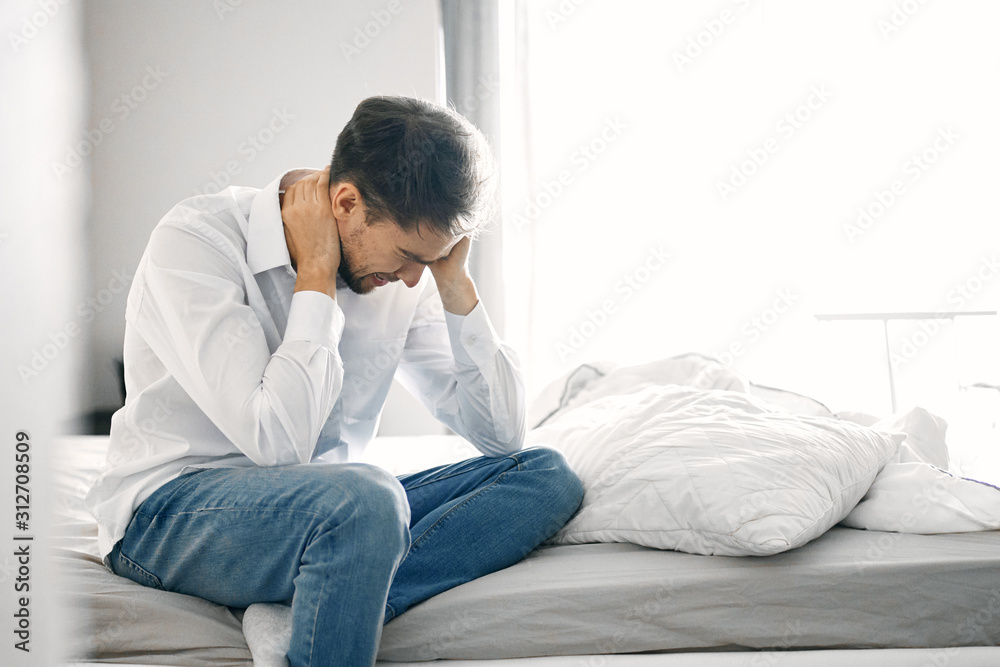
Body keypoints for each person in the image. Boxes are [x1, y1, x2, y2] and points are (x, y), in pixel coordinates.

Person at [83, 96, 584, 666]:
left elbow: (502, 436)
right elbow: (276, 442)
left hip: (334, 516)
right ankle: (335, 587)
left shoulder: (405, 277)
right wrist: (316, 276)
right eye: (408, 255)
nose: (412, 276)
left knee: (544, 475)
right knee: (366, 500)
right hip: (170, 512)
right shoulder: (198, 242)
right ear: (346, 202)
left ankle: (313, 607)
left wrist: (456, 284)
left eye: (434, 258)